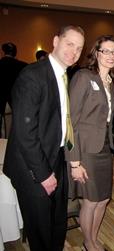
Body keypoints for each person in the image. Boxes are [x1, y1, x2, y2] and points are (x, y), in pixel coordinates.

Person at [3, 25, 85, 251]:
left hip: (55, 156)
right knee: (40, 229)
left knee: (57, 221)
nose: (74, 52)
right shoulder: (33, 75)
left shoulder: (63, 74)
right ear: (56, 41)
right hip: (32, 167)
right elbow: (24, 133)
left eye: (79, 48)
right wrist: (43, 174)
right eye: (70, 44)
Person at [65, 35, 114, 251]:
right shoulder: (84, 77)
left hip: (104, 149)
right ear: (96, 53)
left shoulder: (111, 83)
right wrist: (74, 162)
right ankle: (88, 243)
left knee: (103, 199)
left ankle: (94, 237)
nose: (110, 56)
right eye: (105, 51)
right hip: (85, 151)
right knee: (90, 201)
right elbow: (71, 121)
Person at [0, 42, 27, 137]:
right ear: (15, 53)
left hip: (2, 104)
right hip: (18, 103)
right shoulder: (23, 66)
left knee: (2, 131)